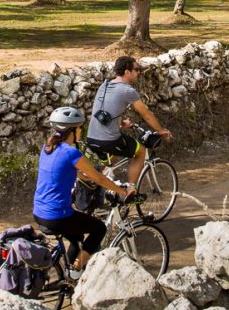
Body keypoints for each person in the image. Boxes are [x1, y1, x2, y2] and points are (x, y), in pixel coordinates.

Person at [33, 106, 135, 278]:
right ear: (72, 130)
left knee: (78, 235)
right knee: (98, 228)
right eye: (80, 128)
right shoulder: (71, 152)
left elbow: (63, 170)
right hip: (58, 215)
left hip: (39, 212)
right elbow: (100, 179)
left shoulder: (48, 147)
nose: (81, 131)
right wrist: (122, 191)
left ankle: (69, 273)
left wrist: (82, 176)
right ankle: (76, 270)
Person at [85, 55, 172, 187]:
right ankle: (131, 191)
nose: (139, 72)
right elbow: (147, 115)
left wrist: (120, 124)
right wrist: (161, 130)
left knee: (111, 163)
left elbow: (105, 111)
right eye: (136, 69)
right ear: (127, 72)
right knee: (140, 152)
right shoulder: (128, 91)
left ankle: (104, 188)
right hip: (109, 140)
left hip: (91, 138)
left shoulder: (105, 84)